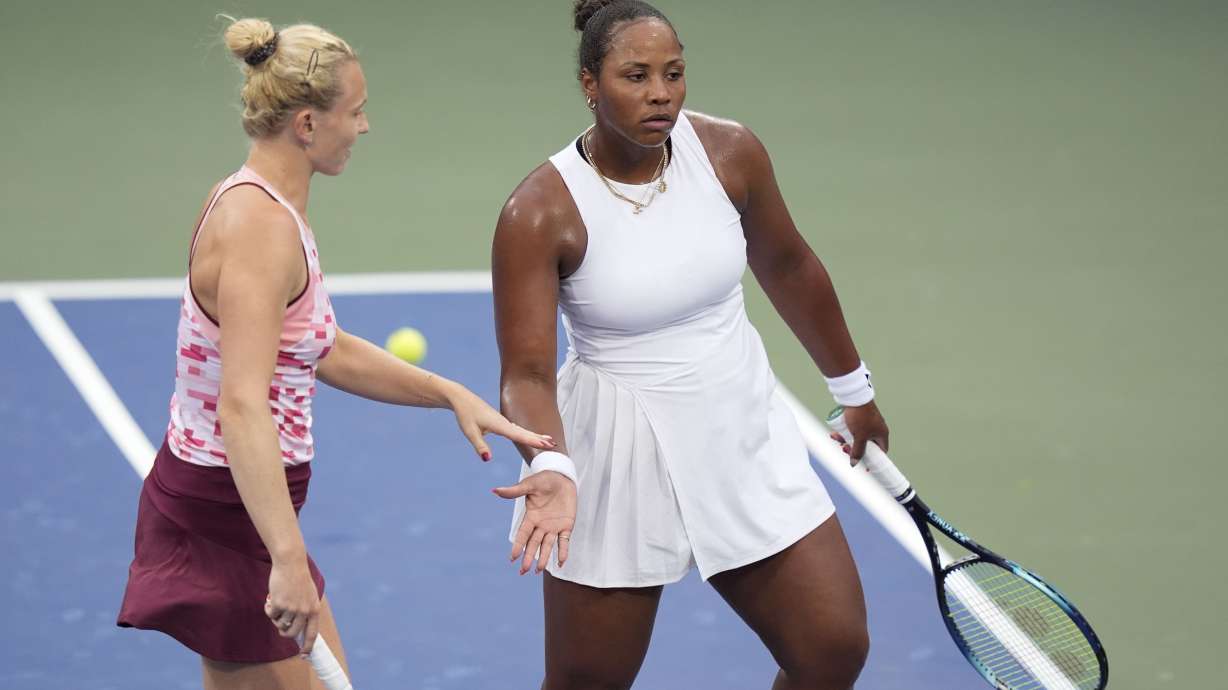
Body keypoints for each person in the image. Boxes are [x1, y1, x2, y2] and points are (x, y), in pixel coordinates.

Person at [116, 17, 554, 689]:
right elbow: (241, 405)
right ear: (308, 124)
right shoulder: (260, 230)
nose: (365, 126)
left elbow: (320, 346)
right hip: (229, 511)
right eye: (356, 111)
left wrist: (448, 393)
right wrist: (287, 559)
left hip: (242, 505)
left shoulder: (270, 207)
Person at [490, 1, 891, 688]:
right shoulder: (538, 212)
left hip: (736, 423)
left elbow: (790, 266)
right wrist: (552, 464)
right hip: (616, 446)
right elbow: (526, 374)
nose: (660, 94)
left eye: (673, 74)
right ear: (590, 84)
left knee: (831, 649)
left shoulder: (731, 153)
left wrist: (854, 392)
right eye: (636, 76)